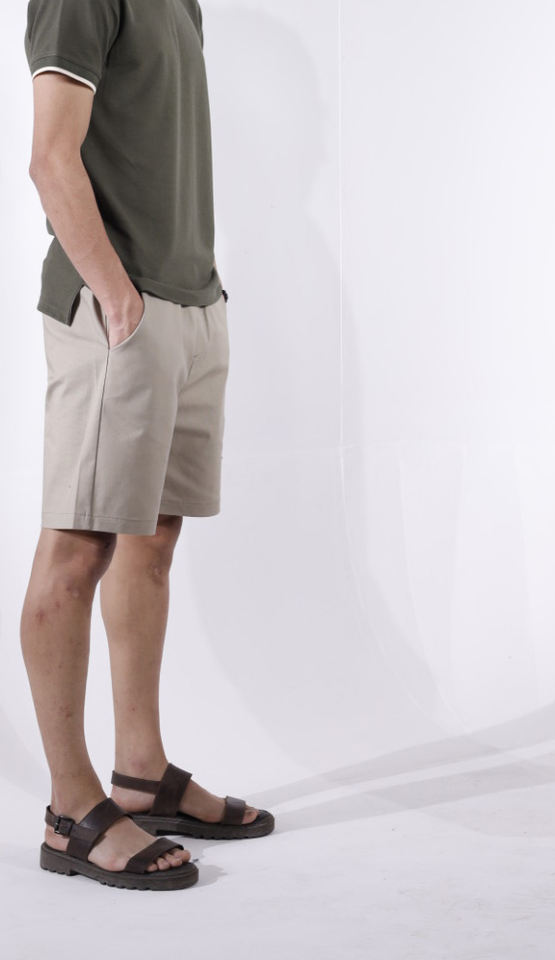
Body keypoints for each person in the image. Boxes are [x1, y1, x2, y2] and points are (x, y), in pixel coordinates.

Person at [22, 0, 274, 891]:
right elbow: (50, 157)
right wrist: (117, 297)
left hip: (191, 301)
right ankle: (70, 811)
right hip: (117, 307)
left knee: (154, 538)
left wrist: (193, 297)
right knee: (78, 546)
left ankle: (139, 773)